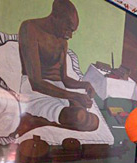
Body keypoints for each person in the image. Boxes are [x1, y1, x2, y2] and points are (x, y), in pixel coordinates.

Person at [13, 0, 99, 137]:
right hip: (36, 92)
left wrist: (85, 84)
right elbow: (35, 82)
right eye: (68, 29)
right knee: (79, 117)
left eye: (72, 32)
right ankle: (33, 121)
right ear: (55, 18)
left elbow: (64, 79)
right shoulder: (30, 28)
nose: (69, 36)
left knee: (93, 122)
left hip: (59, 92)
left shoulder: (62, 42)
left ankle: (40, 122)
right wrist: (74, 95)